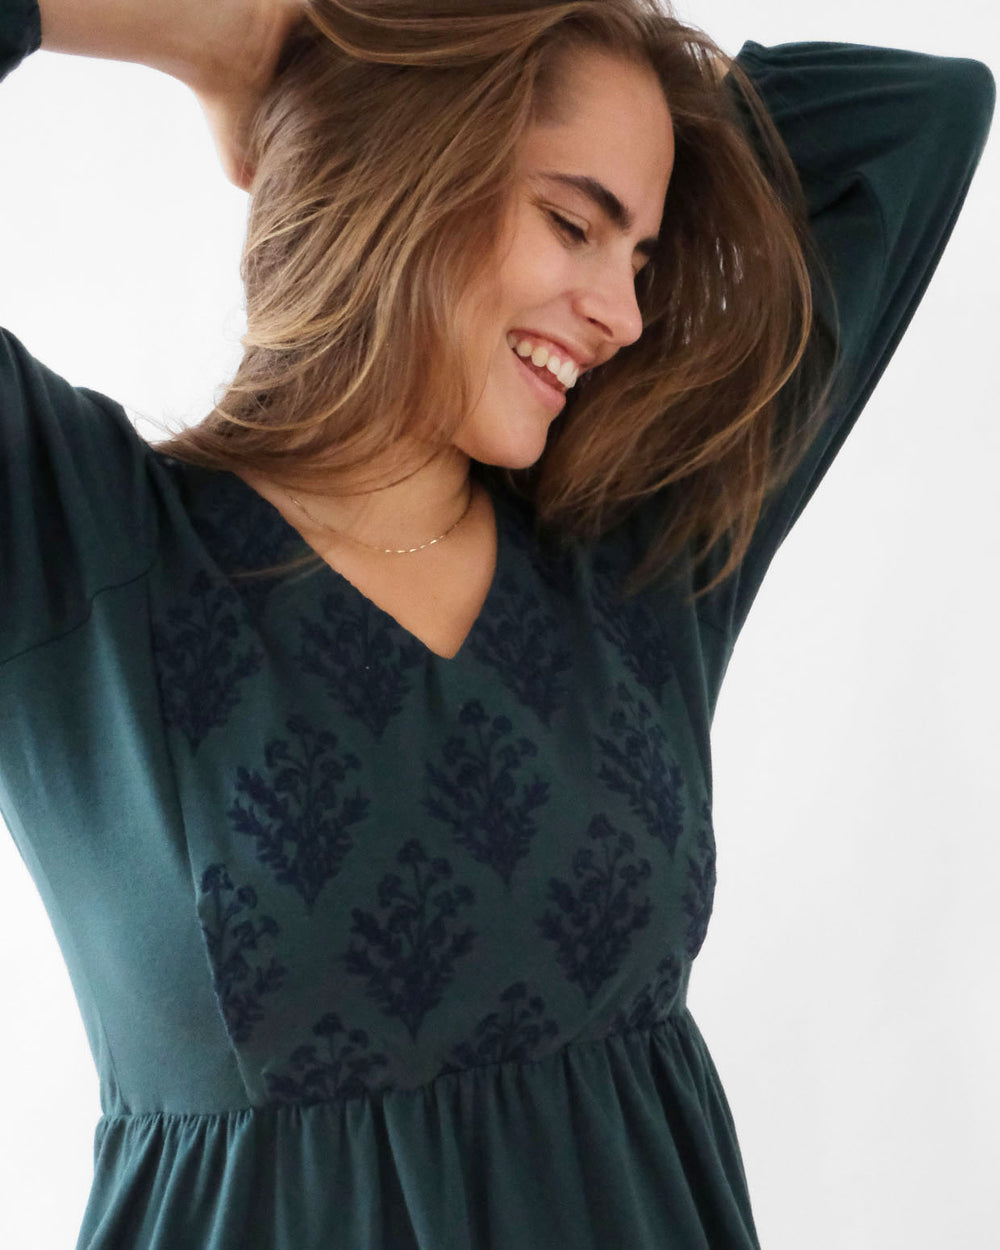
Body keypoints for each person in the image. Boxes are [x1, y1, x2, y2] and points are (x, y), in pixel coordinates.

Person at [0, 0, 993, 1246]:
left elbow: (921, 118)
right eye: (573, 223)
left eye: (642, 258)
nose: (625, 314)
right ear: (408, 164)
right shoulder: (80, 545)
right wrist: (244, 34)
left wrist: (619, 83)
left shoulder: (639, 558)